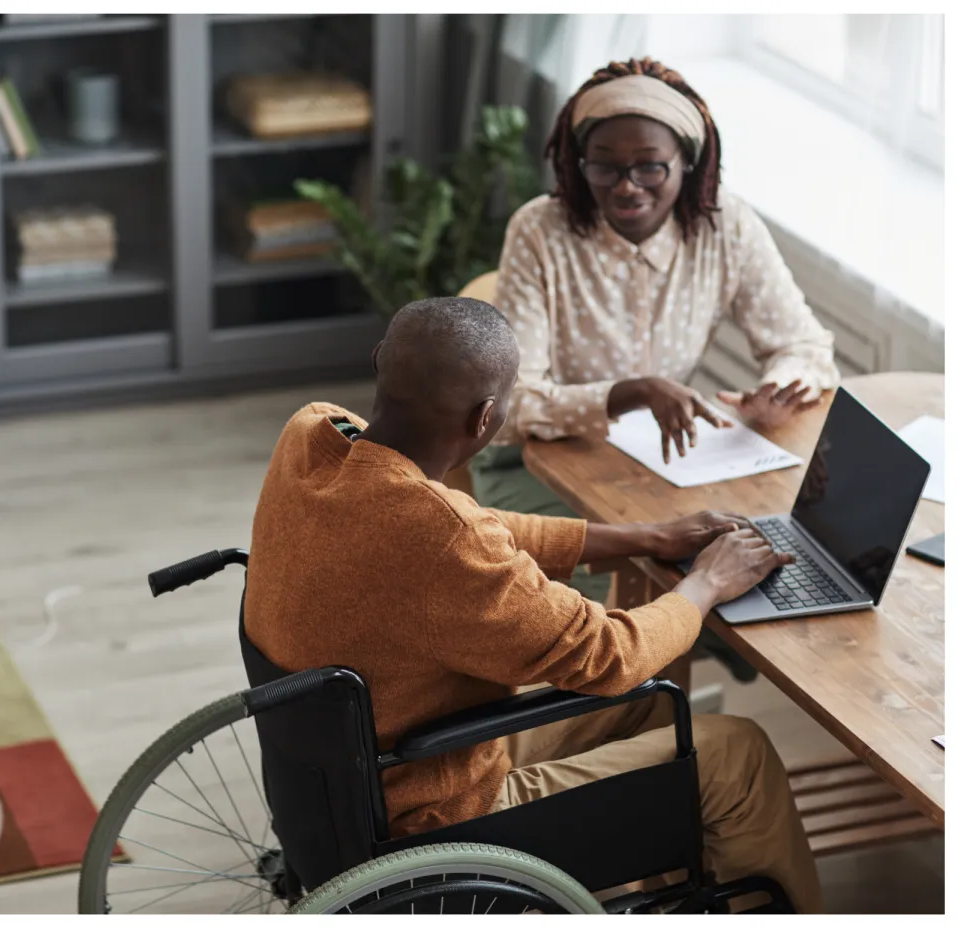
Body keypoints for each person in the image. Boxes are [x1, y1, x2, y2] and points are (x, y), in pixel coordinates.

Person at [244, 297, 823, 913]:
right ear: (486, 417)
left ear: (381, 361)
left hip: (348, 781)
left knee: (654, 712)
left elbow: (468, 522)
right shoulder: (439, 538)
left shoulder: (313, 434)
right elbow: (610, 655)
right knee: (737, 752)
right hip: (439, 811)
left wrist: (646, 536)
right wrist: (707, 583)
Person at [471, 57, 840, 606]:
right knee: (649, 588)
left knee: (759, 560)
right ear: (578, 165)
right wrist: (632, 393)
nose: (626, 187)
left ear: (686, 163)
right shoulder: (539, 231)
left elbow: (807, 347)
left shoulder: (726, 226)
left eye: (649, 167)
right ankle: (649, 685)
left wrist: (780, 386)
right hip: (534, 463)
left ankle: (665, 684)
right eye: (604, 167)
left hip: (667, 463)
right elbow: (513, 406)